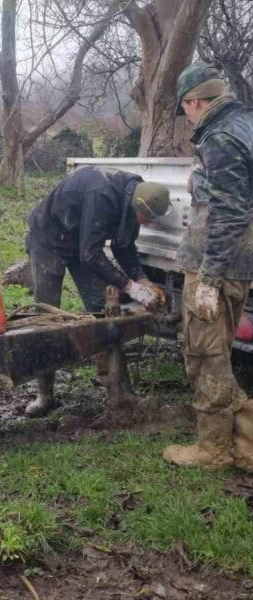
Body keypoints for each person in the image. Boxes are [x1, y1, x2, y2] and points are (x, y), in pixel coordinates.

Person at [24, 165, 170, 417]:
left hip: (81, 240)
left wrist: (143, 279)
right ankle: (45, 395)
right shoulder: (101, 194)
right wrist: (130, 287)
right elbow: (90, 254)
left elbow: (124, 246)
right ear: (139, 207)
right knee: (45, 319)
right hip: (49, 239)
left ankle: (121, 390)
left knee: (103, 308)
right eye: (147, 219)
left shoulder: (135, 195)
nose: (148, 224)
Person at [163, 62, 253, 470]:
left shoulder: (219, 136)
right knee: (218, 353)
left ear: (195, 101)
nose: (187, 117)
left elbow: (231, 212)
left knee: (205, 355)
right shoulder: (244, 125)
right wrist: (201, 180)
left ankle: (213, 450)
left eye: (186, 109)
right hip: (240, 260)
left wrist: (209, 279)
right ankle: (246, 445)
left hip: (217, 261)